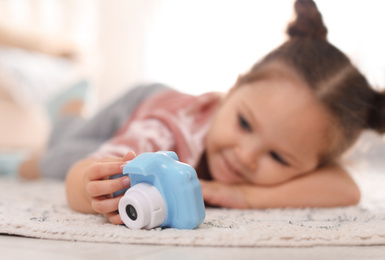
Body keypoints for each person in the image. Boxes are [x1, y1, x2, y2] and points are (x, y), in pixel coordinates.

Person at [6, 0, 385, 225]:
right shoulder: (164, 137)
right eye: (244, 123)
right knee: (62, 154)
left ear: (310, 161)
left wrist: (243, 196)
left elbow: (346, 189)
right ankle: (63, 112)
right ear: (230, 91)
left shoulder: (297, 138)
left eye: (277, 156)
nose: (246, 156)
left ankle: (72, 109)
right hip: (141, 105)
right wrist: (92, 190)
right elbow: (80, 176)